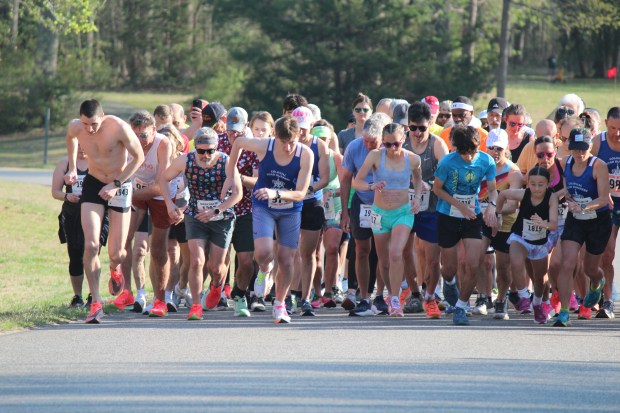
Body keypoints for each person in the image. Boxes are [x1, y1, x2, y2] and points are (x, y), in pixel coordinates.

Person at [221, 115, 314, 324]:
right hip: (264, 206)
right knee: (263, 253)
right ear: (275, 137)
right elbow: (238, 143)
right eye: (284, 142)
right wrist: (231, 174)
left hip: (290, 208)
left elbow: (300, 193)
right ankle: (264, 270)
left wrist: (275, 193)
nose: (289, 147)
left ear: (299, 136)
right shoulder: (265, 146)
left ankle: (280, 304)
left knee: (287, 259)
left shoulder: (305, 154)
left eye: (292, 142)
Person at [64, 99, 144, 323]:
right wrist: (72, 167)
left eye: (94, 124)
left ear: (103, 116)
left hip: (120, 184)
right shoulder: (75, 127)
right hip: (94, 182)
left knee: (117, 253)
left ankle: (115, 268)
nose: (90, 129)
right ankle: (96, 303)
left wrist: (116, 184)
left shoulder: (118, 127)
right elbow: (70, 139)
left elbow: (139, 157)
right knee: (91, 244)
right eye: (85, 124)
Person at [159, 127, 242, 320]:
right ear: (195, 148)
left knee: (216, 266)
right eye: (201, 151)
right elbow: (163, 178)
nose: (205, 155)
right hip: (195, 215)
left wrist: (216, 210)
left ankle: (216, 285)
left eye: (210, 151)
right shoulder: (185, 160)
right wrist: (169, 203)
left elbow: (238, 194)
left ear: (216, 148)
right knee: (196, 261)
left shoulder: (226, 161)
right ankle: (196, 305)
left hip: (221, 217)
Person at [352, 123, 423, 317]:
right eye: (387, 144)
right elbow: (356, 181)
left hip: (403, 212)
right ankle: (386, 296)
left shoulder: (413, 159)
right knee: (383, 261)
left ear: (404, 140)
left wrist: (416, 198)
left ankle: (394, 299)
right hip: (379, 213)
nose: (392, 149)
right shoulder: (375, 155)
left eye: (396, 144)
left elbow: (418, 180)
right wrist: (371, 186)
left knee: (396, 253)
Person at [110, 110, 175, 318]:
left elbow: (159, 185)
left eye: (144, 135)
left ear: (154, 130)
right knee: (123, 241)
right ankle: (128, 292)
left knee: (157, 250)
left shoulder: (163, 144)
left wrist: (131, 192)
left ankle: (160, 300)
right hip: (135, 192)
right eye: (135, 135)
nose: (140, 140)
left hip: (160, 194)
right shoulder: (127, 141)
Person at [433, 125, 497, 325]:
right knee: (450, 267)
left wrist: (491, 207)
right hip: (448, 215)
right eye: (464, 153)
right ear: (456, 148)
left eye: (473, 151)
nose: (469, 157)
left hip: (472, 216)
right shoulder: (447, 162)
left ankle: (461, 306)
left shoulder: (487, 160)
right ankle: (450, 283)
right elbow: (437, 189)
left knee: (473, 263)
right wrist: (459, 206)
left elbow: (493, 189)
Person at [554, 128, 610, 327]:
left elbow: (604, 198)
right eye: (576, 149)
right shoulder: (566, 162)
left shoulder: (598, 166)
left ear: (590, 147)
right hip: (576, 219)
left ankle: (597, 283)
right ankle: (565, 312)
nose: (580, 153)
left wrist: (584, 205)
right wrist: (569, 199)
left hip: (598, 220)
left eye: (583, 149)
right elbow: (568, 186)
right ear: (570, 148)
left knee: (590, 268)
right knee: (567, 263)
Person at [340, 112, 392, 316]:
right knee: (361, 248)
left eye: (374, 142)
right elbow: (345, 180)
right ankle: (363, 297)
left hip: (387, 204)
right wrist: (345, 212)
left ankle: (380, 295)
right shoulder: (354, 147)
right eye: (366, 140)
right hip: (362, 201)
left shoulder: (392, 149)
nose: (369, 145)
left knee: (382, 251)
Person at [402, 102, 449, 318]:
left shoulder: (437, 144)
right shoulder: (401, 142)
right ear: (407, 126)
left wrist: (430, 183)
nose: (418, 133)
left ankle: (431, 295)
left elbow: (448, 174)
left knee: (432, 257)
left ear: (430, 124)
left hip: (430, 207)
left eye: (422, 128)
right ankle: (414, 294)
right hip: (405, 206)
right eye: (413, 128)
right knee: (405, 252)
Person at [497, 166, 559, 323]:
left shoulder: (551, 198)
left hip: (540, 242)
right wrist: (497, 213)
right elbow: (503, 194)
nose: (536, 188)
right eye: (532, 184)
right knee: (515, 261)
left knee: (540, 279)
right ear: (527, 183)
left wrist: (543, 224)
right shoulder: (523, 194)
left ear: (548, 184)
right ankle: (524, 295)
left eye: (540, 184)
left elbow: (554, 224)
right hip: (521, 237)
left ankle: (537, 304)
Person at [52, 145, 109, 307]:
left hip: (96, 213)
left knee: (93, 251)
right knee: (75, 254)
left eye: (86, 145)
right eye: (79, 145)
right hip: (72, 214)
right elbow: (55, 191)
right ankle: (77, 296)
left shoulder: (99, 163)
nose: (83, 149)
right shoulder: (65, 164)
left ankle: (94, 294)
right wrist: (68, 196)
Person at [476, 129, 523, 319]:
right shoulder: (479, 166)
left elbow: (513, 204)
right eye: (491, 148)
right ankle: (482, 297)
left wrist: (495, 210)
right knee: (476, 256)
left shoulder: (513, 172)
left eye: (499, 149)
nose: (495, 152)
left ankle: (501, 299)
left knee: (503, 266)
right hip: (482, 219)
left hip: (506, 222)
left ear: (506, 149)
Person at [219, 107, 260, 317]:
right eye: (229, 130)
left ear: (245, 127)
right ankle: (216, 289)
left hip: (246, 209)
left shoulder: (254, 147)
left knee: (246, 260)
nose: (233, 134)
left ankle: (239, 293)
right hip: (220, 210)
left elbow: (258, 181)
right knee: (216, 263)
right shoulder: (216, 142)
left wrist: (237, 179)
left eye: (237, 130)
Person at [290, 106, 330, 317]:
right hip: (289, 204)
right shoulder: (286, 145)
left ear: (312, 126)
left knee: (308, 253)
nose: (302, 132)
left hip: (311, 203)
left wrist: (308, 189)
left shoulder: (320, 146)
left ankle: (305, 298)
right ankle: (288, 296)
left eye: (305, 128)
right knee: (289, 252)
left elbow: (325, 177)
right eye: (298, 128)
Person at [591, 106, 620, 319]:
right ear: (606, 124)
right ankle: (608, 301)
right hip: (608, 205)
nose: (617, 133)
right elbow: (585, 168)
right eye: (612, 128)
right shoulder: (598, 143)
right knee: (607, 253)